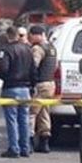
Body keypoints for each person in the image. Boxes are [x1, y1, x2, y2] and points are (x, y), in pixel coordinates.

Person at [0, 25, 35, 158]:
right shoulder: (28, 49)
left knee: (11, 120)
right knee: (24, 119)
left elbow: (3, 69)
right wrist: (32, 86)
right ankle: (25, 148)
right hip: (25, 89)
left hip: (10, 88)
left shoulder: (6, 50)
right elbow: (33, 70)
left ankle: (14, 148)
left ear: (8, 35)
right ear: (18, 35)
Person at [28, 25, 57, 153]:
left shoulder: (38, 48)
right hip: (50, 84)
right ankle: (44, 142)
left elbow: (33, 66)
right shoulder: (52, 48)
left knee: (32, 113)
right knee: (44, 112)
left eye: (31, 36)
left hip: (40, 84)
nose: (30, 39)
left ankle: (29, 141)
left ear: (37, 35)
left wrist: (31, 83)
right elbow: (55, 66)